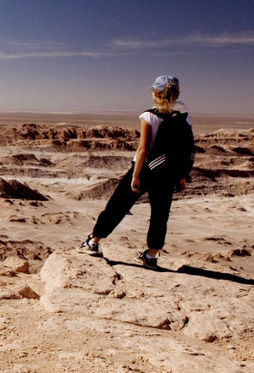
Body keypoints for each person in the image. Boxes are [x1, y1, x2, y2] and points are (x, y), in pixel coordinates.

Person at [79, 75, 193, 269]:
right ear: (176, 94)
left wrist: (135, 175)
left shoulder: (150, 116)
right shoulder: (184, 117)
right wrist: (182, 175)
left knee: (118, 205)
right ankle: (151, 256)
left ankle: (93, 241)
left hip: (146, 169)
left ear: (155, 93)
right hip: (169, 172)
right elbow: (184, 148)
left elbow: (143, 149)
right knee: (160, 214)